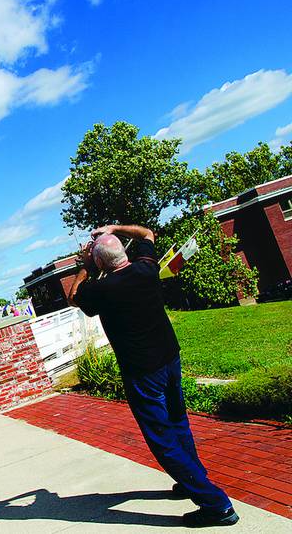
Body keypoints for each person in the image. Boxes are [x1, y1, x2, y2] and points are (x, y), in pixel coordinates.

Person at [68, 224, 239, 528]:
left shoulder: (102, 290)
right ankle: (192, 481)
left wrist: (83, 266)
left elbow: (74, 296)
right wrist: (114, 228)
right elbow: (147, 235)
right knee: (178, 424)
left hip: (142, 372)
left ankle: (217, 506)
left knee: (163, 440)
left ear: (100, 263)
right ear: (123, 253)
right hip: (169, 360)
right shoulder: (147, 270)